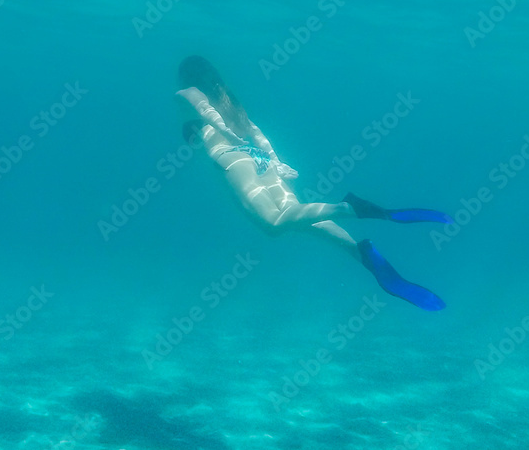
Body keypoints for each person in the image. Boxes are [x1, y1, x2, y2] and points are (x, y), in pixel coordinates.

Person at [176, 55, 451, 311]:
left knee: (273, 224)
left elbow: (204, 111)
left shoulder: (188, 92)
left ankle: (348, 208)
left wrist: (227, 136)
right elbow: (255, 131)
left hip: (234, 160)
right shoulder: (228, 98)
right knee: (304, 219)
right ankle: (362, 255)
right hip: (261, 160)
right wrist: (276, 160)